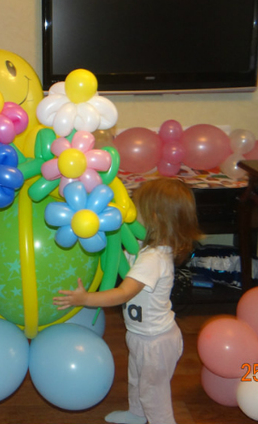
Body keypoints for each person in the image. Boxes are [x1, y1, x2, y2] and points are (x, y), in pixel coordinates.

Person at [53, 178, 201, 424]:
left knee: (154, 394)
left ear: (153, 217)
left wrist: (86, 299)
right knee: (137, 380)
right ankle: (137, 414)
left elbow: (124, 293)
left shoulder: (153, 259)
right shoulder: (143, 246)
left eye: (135, 207)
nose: (130, 211)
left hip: (156, 341)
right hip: (141, 335)